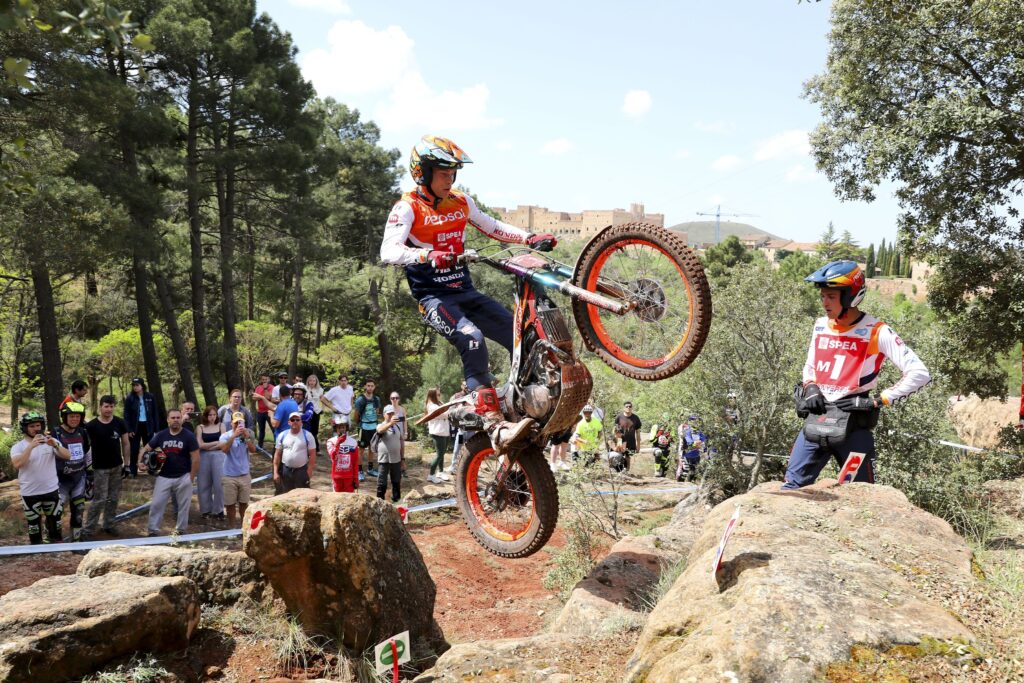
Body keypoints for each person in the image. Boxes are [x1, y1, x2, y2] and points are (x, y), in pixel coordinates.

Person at [379, 135, 556, 450]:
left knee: (520, 335)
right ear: (423, 173)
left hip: (465, 292)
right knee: (472, 338)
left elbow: (492, 226)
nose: (450, 180)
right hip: (434, 299)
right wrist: (427, 254)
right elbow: (388, 251)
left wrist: (529, 237)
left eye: (453, 173)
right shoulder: (408, 207)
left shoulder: (460, 201)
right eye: (443, 174)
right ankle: (491, 419)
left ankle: (530, 404)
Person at [783, 261, 931, 490]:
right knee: (791, 487)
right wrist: (810, 386)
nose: (824, 302)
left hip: (854, 426)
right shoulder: (821, 325)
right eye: (822, 296)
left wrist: (878, 400)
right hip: (817, 420)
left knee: (862, 495)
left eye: (831, 296)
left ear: (850, 296)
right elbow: (811, 364)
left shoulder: (876, 331)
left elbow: (919, 373)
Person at [11, 412, 70, 544]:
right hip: (30, 492)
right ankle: (37, 551)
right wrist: (31, 446)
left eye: (38, 425)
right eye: (32, 426)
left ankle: (56, 550)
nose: (36, 428)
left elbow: (68, 456)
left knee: (55, 525)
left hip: (51, 490)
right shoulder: (18, 447)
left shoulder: (50, 441)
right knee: (34, 527)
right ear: (25, 428)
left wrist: (55, 445)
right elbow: (18, 464)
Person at [141, 409, 201, 536]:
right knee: (156, 504)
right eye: (173, 418)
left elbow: (196, 458)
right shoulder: (161, 435)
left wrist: (191, 477)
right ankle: (153, 530)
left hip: (183, 475)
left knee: (183, 506)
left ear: (181, 419)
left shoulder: (188, 436)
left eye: (178, 417)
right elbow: (146, 448)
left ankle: (181, 531)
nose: (176, 420)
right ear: (168, 420)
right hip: (164, 475)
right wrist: (140, 462)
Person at [83, 395, 130, 535]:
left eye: (111, 406)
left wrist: (127, 465)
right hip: (100, 468)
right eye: (106, 406)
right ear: (100, 407)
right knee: (99, 499)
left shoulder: (120, 422)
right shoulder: (91, 426)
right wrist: (85, 467)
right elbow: (84, 446)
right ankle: (89, 529)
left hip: (116, 466)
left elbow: (126, 444)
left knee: (113, 498)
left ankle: (109, 524)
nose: (109, 409)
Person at [51, 401, 92, 541]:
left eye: (77, 416)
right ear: (64, 417)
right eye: (71, 416)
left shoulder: (82, 432)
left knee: (79, 509)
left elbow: (87, 452)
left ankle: (76, 540)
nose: (75, 419)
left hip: (78, 478)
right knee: (57, 511)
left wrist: (90, 474)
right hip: (60, 480)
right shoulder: (55, 432)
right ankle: (54, 539)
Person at [219, 411, 255, 528]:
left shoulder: (248, 434)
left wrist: (247, 438)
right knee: (230, 505)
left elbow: (253, 450)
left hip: (244, 475)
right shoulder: (225, 436)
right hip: (229, 475)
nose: (238, 425)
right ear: (231, 423)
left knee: (244, 504)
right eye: (236, 423)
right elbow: (224, 450)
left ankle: (244, 528)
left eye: (240, 422)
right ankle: (232, 528)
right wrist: (233, 436)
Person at [273, 411, 316, 493]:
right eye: (292, 420)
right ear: (289, 422)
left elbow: (312, 454)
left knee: (303, 494)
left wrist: (310, 470)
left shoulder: (308, 436)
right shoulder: (282, 435)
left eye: (297, 420)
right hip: (286, 470)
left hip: (302, 471)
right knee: (286, 494)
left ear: (301, 422)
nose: (295, 421)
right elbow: (277, 454)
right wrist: (275, 472)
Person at [124, 378, 159, 477]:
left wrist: (156, 430)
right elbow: (126, 415)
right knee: (134, 449)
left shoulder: (150, 397)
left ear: (142, 386)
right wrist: (129, 429)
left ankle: (151, 469)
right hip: (135, 427)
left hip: (148, 426)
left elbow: (155, 413)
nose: (135, 387)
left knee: (149, 448)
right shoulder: (130, 398)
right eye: (133, 385)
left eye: (137, 385)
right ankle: (133, 470)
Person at [196, 406, 226, 520]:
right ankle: (205, 510)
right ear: (206, 416)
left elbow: (223, 442)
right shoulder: (200, 427)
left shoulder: (221, 426)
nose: (212, 417)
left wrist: (208, 446)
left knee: (219, 484)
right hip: (203, 456)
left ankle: (219, 510)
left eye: (214, 415)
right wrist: (215, 443)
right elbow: (200, 445)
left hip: (219, 456)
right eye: (210, 415)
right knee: (203, 483)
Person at [375, 404, 406, 503]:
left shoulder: (397, 427)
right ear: (384, 414)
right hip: (384, 459)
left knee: (396, 481)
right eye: (389, 414)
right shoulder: (381, 425)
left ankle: (396, 501)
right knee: (382, 482)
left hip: (396, 459)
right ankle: (379, 501)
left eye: (393, 413)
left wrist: (403, 459)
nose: (391, 415)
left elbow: (401, 443)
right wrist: (390, 423)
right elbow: (380, 430)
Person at [352, 380, 382, 479]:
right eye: (368, 385)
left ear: (374, 387)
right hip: (364, 428)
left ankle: (370, 469)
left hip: (374, 427)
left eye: (372, 386)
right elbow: (356, 415)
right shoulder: (360, 400)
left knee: (372, 448)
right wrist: (359, 424)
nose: (370, 387)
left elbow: (377, 411)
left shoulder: (376, 399)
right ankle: (359, 471)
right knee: (360, 449)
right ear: (365, 386)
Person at [424, 387, 451, 483]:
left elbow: (447, 410)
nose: (440, 396)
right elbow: (445, 414)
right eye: (438, 395)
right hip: (437, 432)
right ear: (433, 395)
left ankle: (441, 472)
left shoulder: (440, 403)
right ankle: (431, 475)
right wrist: (449, 411)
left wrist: (449, 410)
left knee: (442, 453)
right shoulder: (431, 406)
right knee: (439, 455)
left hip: (444, 431)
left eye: (440, 394)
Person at [326, 418, 360, 493]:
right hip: (337, 476)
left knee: (349, 498)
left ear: (346, 428)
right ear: (335, 428)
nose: (342, 429)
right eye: (339, 427)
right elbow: (333, 456)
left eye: (343, 427)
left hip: (349, 477)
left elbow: (355, 462)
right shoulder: (331, 441)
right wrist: (338, 443)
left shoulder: (353, 442)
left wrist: (356, 478)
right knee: (337, 498)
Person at [613, 401, 643, 471]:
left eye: (630, 406)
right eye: (627, 406)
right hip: (620, 440)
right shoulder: (619, 417)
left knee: (628, 456)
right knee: (619, 455)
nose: (628, 408)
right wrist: (616, 441)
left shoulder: (635, 418)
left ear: (632, 408)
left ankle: (627, 470)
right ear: (624, 408)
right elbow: (615, 430)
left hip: (631, 441)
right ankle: (618, 470)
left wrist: (638, 445)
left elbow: (638, 432)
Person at [676, 415, 705, 482]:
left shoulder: (699, 431)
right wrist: (698, 443)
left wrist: (699, 443)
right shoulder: (686, 430)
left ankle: (690, 484)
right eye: (694, 421)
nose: (696, 423)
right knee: (685, 470)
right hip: (685, 454)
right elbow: (689, 442)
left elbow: (703, 439)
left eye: (697, 421)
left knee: (694, 471)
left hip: (696, 454)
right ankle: (679, 482)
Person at [252, 373, 274, 449]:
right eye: (263, 379)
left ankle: (276, 446)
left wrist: (264, 390)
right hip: (260, 412)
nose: (264, 381)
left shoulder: (272, 387)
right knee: (261, 430)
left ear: (269, 379)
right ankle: (260, 446)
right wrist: (262, 397)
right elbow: (254, 398)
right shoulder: (258, 387)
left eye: (266, 379)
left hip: (269, 412)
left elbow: (269, 397)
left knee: (273, 429)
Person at [306, 374, 325, 445]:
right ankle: (307, 445)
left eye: (314, 381)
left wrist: (322, 409)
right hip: (307, 411)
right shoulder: (305, 389)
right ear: (308, 381)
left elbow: (323, 400)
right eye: (310, 380)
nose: (312, 382)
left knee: (315, 429)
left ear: (316, 382)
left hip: (316, 411)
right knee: (307, 428)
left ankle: (315, 446)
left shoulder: (320, 390)